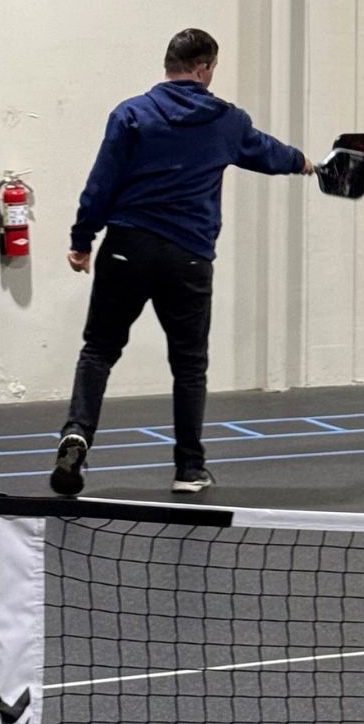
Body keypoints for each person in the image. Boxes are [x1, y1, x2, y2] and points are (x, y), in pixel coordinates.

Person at [49, 28, 312, 496]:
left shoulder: (131, 113)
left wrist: (81, 240)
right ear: (204, 68)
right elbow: (268, 153)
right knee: (189, 366)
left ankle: (77, 435)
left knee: (99, 350)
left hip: (127, 248)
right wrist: (307, 163)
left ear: (168, 63)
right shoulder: (227, 121)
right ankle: (189, 468)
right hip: (188, 257)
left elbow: (100, 183)